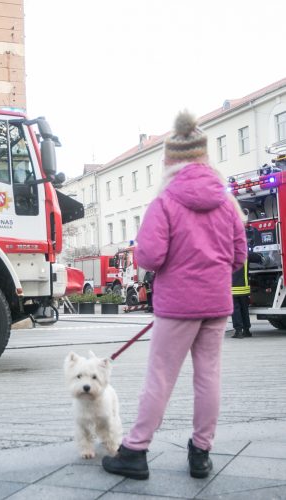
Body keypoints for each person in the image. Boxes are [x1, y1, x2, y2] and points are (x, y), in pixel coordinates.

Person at [102, 110, 247, 480]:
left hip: (176, 306)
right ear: (204, 157)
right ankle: (201, 452)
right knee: (208, 376)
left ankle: (135, 450)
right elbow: (238, 256)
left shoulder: (165, 202)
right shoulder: (227, 202)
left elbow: (151, 257)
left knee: (160, 378)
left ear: (169, 160)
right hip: (216, 304)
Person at [231, 250, 263, 338]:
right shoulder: (245, 253)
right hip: (244, 288)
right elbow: (259, 258)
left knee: (236, 310)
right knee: (244, 310)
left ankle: (238, 331)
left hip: (233, 288)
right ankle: (247, 330)